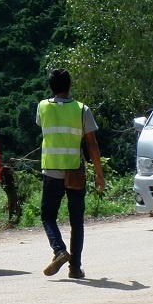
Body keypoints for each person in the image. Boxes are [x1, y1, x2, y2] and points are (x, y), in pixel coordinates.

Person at [36, 68, 106, 279]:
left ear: (51, 87)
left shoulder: (42, 107)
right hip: (75, 171)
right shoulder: (81, 109)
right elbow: (92, 144)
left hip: (52, 171)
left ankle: (59, 251)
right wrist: (99, 174)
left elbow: (42, 126)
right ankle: (74, 268)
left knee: (48, 216)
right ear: (70, 85)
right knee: (76, 221)